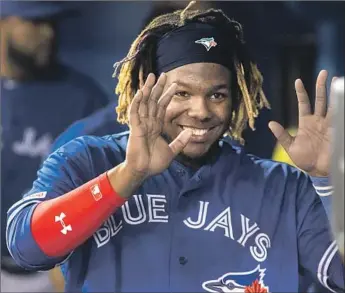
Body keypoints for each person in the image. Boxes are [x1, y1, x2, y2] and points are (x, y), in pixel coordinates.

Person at [6, 3, 344, 292]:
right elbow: (28, 247)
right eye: (181, 93)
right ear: (144, 88)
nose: (201, 111)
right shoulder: (88, 159)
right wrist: (128, 175)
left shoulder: (282, 187)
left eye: (217, 94)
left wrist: (331, 184)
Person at [1, 1, 109, 290]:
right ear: (3, 23)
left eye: (53, 23)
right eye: (36, 23)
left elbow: (101, 188)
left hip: (49, 274)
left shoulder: (83, 98)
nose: (48, 33)